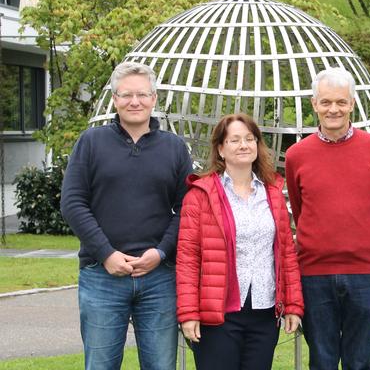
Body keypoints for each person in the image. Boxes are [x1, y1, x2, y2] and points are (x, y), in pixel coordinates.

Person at [60, 62, 192, 369]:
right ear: (115, 98)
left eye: (142, 95)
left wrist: (160, 253)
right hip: (101, 276)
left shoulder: (174, 148)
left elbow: (187, 208)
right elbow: (73, 202)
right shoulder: (91, 143)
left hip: (159, 278)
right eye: (127, 95)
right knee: (101, 365)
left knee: (161, 365)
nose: (135, 101)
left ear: (154, 98)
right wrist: (107, 254)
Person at [285, 67, 370, 369]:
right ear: (314, 104)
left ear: (352, 104)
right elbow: (300, 207)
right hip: (315, 274)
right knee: (322, 359)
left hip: (364, 272)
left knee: (360, 361)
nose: (334, 109)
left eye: (341, 102)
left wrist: (365, 245)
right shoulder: (297, 155)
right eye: (326, 102)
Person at [176, 113, 304, 370]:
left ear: (257, 145)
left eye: (249, 139)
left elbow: (286, 254)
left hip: (265, 312)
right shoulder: (200, 195)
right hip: (218, 315)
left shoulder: (273, 194)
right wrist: (188, 313)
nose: (243, 145)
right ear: (221, 149)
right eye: (234, 140)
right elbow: (188, 258)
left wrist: (293, 304)